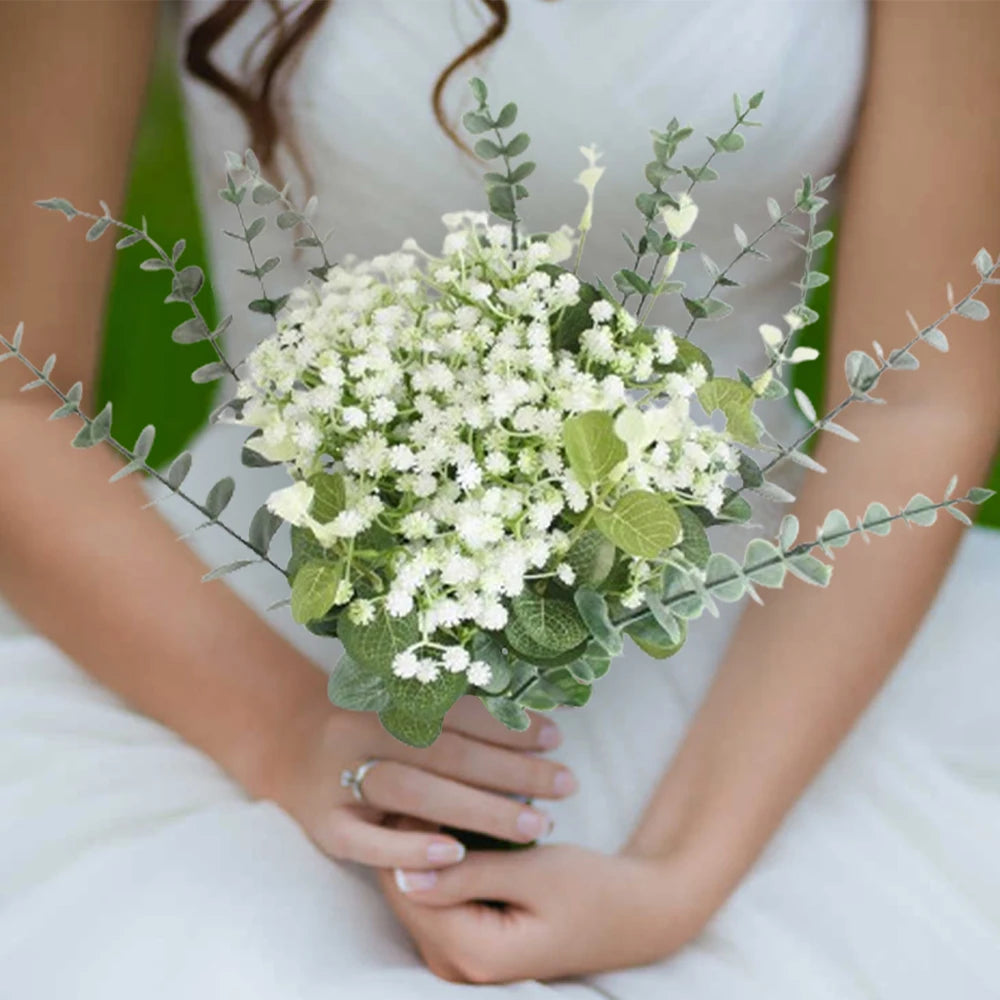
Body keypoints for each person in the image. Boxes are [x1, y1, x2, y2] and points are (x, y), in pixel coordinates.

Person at [2, 1, 999, 995]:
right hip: (255, 620)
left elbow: (916, 398)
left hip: (764, 655)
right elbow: (15, 393)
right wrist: (283, 727)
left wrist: (676, 872)